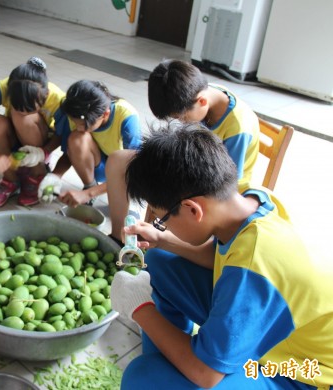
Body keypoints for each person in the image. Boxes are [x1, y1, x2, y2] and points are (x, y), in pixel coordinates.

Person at [111, 123, 333, 389]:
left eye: (162, 219)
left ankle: (172, 370)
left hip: (298, 372)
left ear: (193, 210)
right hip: (274, 327)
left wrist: (140, 309)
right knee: (161, 263)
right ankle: (173, 362)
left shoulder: (255, 265)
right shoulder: (252, 198)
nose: (163, 225)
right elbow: (223, 258)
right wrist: (165, 240)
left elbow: (207, 375)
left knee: (142, 377)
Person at [105, 59, 260, 245]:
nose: (182, 123)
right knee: (118, 160)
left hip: (212, 188)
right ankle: (118, 237)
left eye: (182, 118)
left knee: (162, 199)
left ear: (202, 101)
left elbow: (223, 184)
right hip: (189, 166)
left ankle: (160, 230)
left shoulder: (238, 129)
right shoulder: (198, 90)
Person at [0, 56, 65, 208]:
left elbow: (64, 135)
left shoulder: (57, 98)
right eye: (16, 106)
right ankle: (10, 179)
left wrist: (43, 152)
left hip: (40, 146)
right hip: (15, 141)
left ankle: (37, 175)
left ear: (45, 95)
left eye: (29, 109)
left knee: (25, 119)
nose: (22, 112)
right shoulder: (3, 87)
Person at [38, 80, 142, 207]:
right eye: (75, 123)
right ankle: (90, 184)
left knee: (128, 181)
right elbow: (69, 153)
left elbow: (135, 172)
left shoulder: (126, 117)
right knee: (76, 138)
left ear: (105, 114)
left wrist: (88, 194)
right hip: (98, 165)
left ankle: (92, 192)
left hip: (120, 170)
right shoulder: (75, 111)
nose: (79, 128)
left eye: (84, 125)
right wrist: (55, 176)